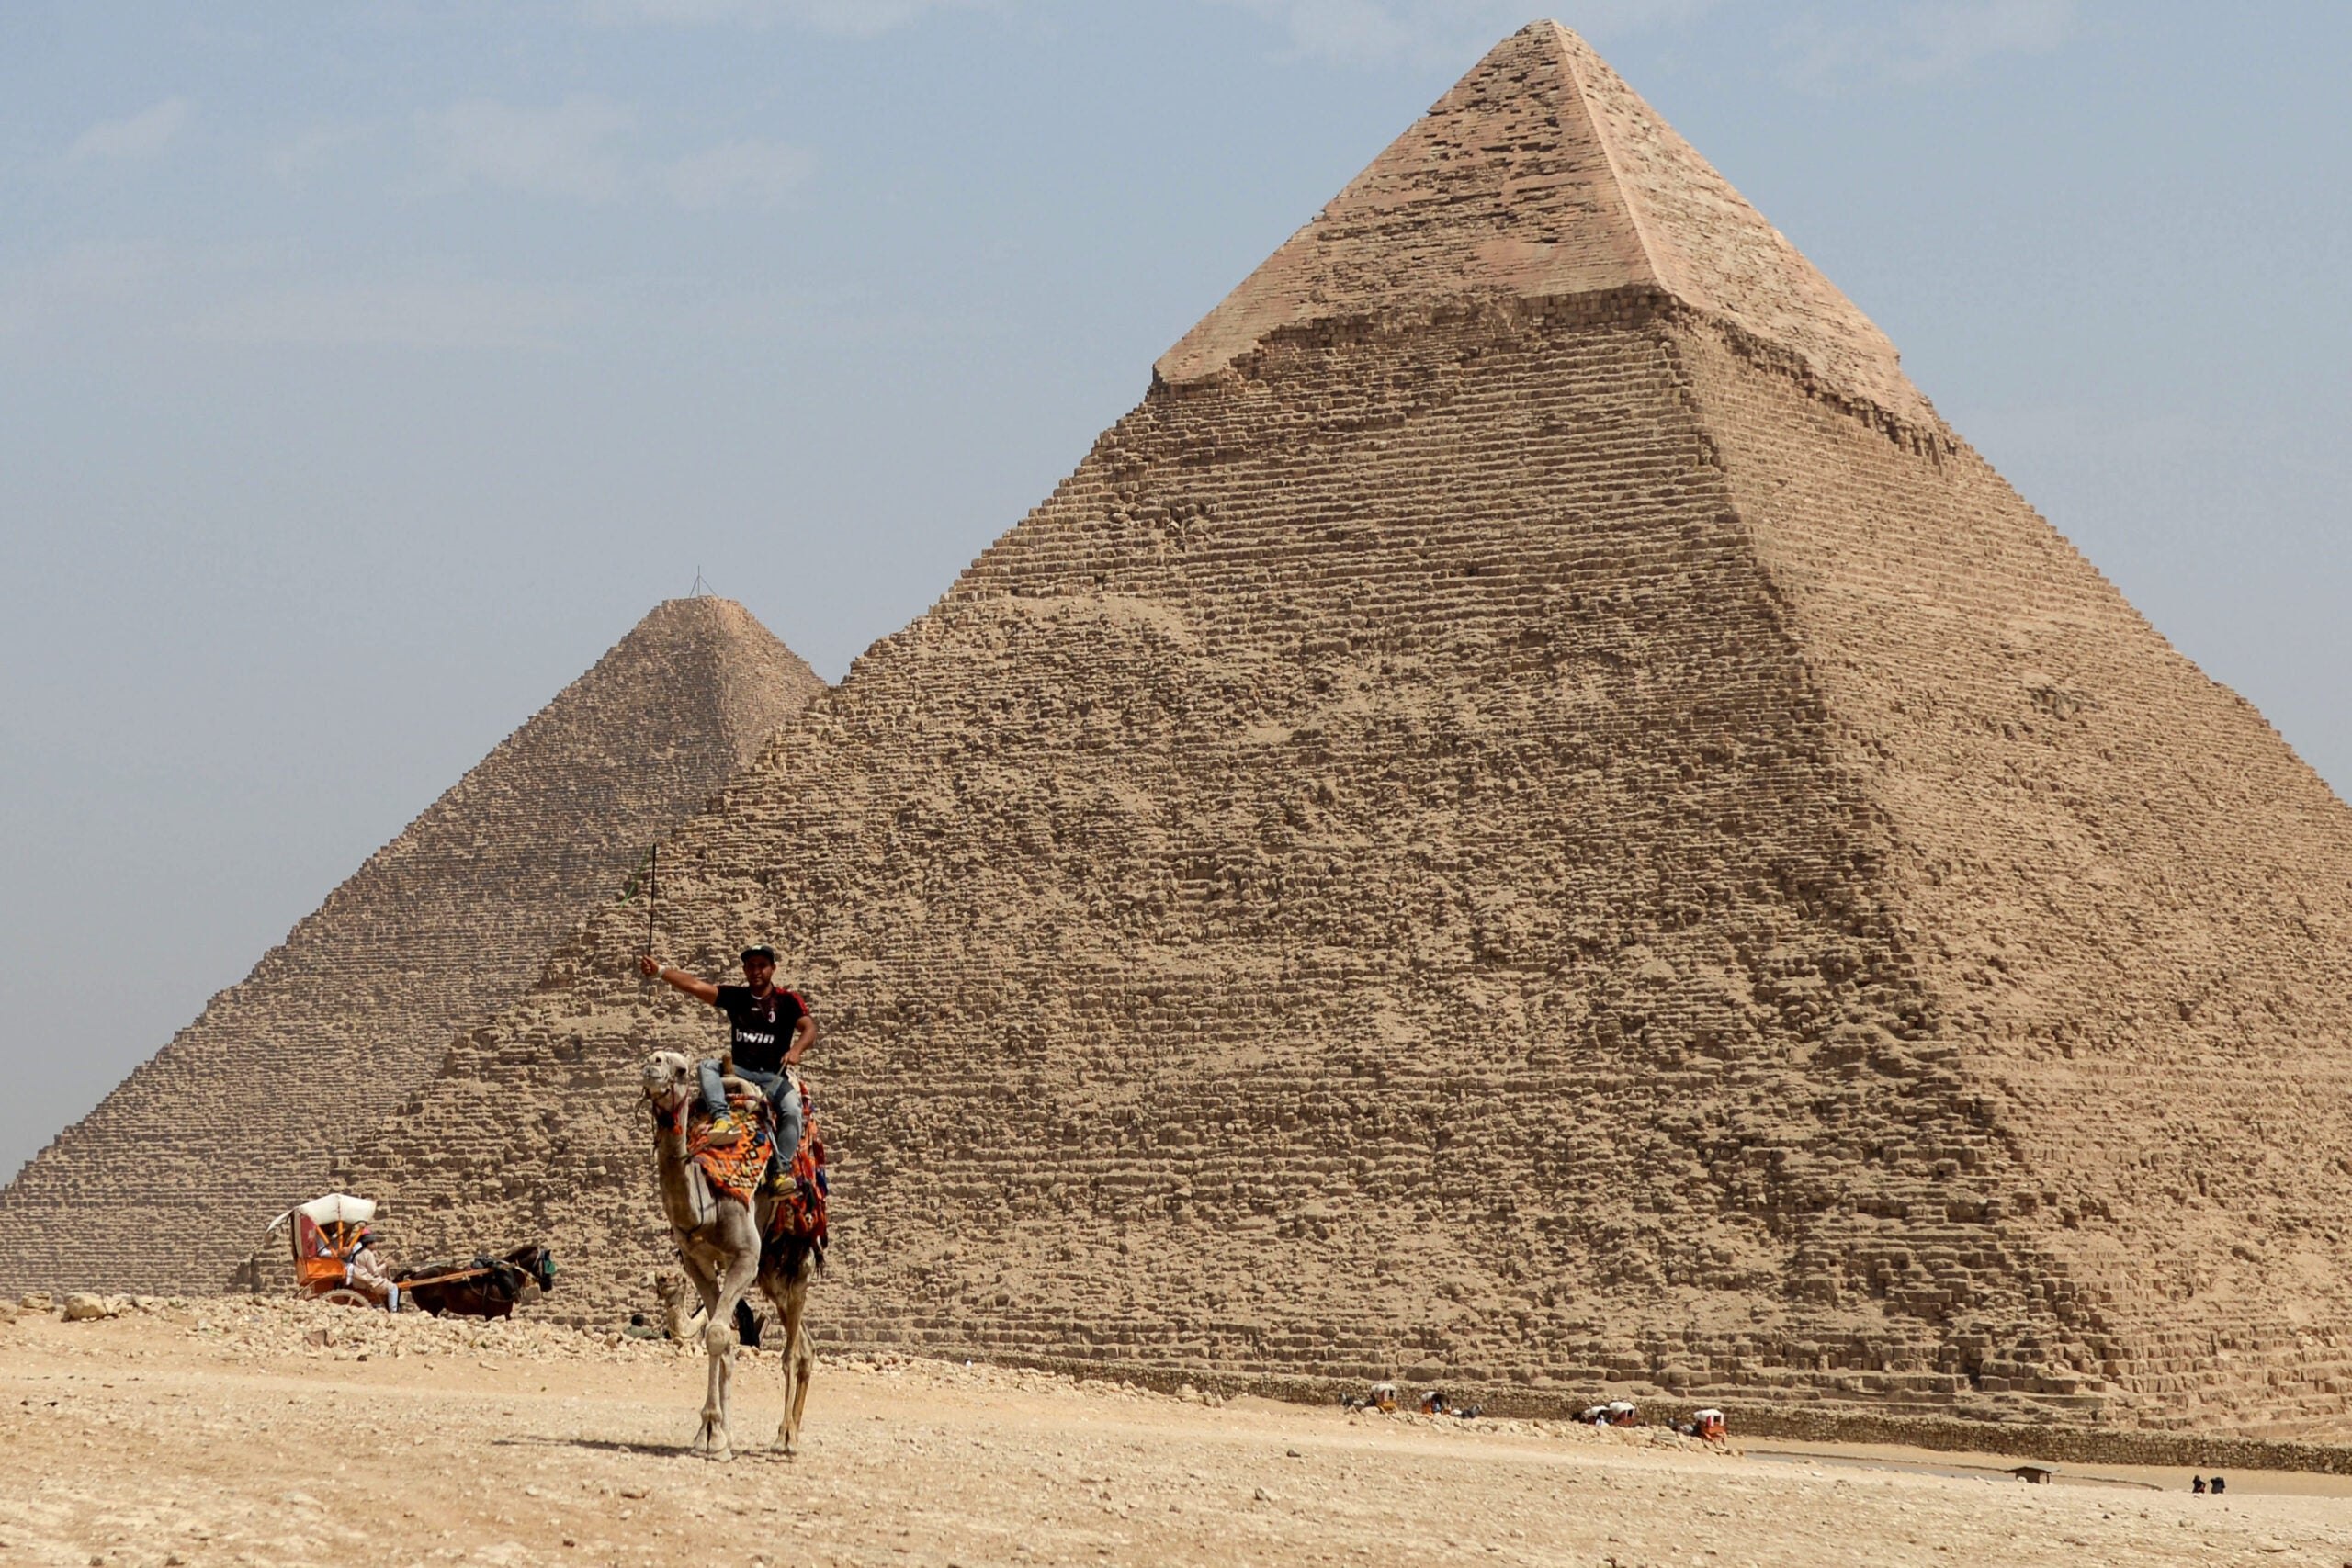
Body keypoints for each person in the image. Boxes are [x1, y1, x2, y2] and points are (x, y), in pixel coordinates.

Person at [639, 945, 814, 1161]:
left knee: (793, 1112)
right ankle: (722, 1118)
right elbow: (694, 985)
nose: (756, 971)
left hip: (773, 1075)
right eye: (751, 966)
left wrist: (795, 1050)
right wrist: (660, 971)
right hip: (740, 1070)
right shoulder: (736, 997)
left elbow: (809, 1028)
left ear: (773, 968)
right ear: (744, 970)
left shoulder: (787, 1001)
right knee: (706, 1066)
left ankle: (782, 1170)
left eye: (762, 965)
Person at [345, 1225, 401, 1313]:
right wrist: (385, 1265)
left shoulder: (359, 1253)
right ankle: (393, 1311)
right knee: (393, 1287)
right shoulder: (368, 1254)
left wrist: (379, 1264)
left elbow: (366, 1267)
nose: (375, 1245)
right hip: (367, 1282)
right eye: (374, 1243)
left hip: (359, 1280)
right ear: (369, 1243)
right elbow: (375, 1272)